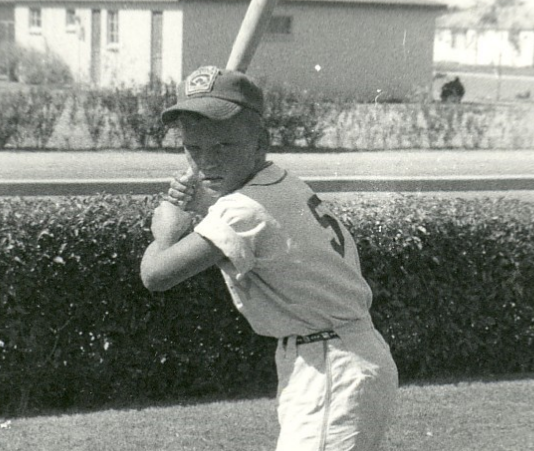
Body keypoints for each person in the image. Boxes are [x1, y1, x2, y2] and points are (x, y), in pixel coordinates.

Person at [140, 65, 399, 451]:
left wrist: (167, 224)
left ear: (260, 141)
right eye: (194, 148)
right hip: (337, 357)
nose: (207, 161)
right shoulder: (281, 182)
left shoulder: (243, 210)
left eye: (224, 146)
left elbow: (156, 275)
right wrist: (204, 205)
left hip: (331, 365)